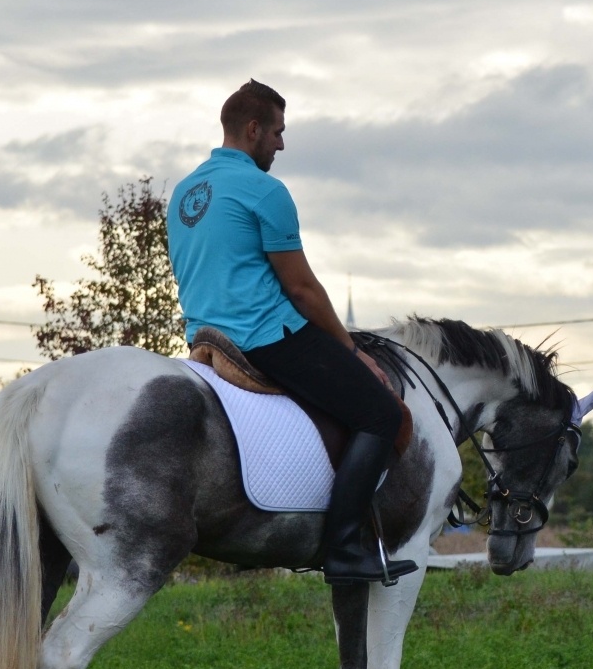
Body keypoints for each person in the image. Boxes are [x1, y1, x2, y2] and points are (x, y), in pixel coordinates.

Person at [166, 79, 412, 585]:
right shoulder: (264, 190)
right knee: (383, 413)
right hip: (266, 337)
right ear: (253, 129)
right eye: (277, 132)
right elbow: (301, 289)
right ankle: (344, 548)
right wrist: (350, 350)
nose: (281, 144)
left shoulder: (186, 191)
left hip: (206, 340)